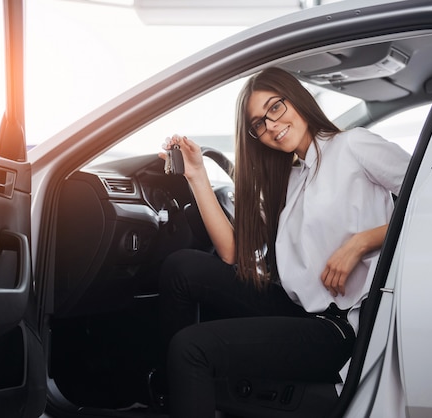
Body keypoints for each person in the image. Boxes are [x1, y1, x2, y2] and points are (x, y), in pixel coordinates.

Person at [157, 67, 410, 418]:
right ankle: (171, 392)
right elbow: (232, 251)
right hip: (299, 310)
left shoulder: (353, 145)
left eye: (275, 108)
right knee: (181, 267)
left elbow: (430, 198)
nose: (272, 126)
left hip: (338, 328)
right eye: (259, 124)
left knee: (190, 348)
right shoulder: (287, 179)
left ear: (297, 98)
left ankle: (183, 381)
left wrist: (361, 243)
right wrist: (197, 175)